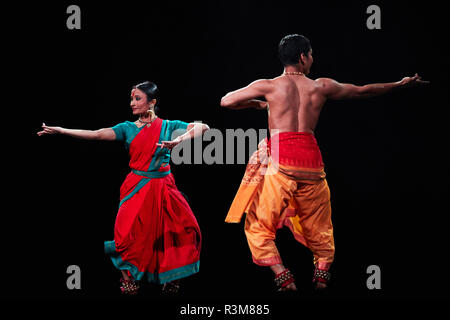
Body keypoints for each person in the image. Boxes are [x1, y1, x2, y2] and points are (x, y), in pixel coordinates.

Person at [221, 34, 429, 291]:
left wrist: (258, 104)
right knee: (320, 225)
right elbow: (363, 90)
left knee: (258, 223)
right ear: (302, 57)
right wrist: (400, 84)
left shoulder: (269, 85)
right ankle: (321, 278)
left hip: (280, 163)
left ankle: (282, 276)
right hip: (311, 165)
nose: (312, 59)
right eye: (311, 55)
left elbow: (227, 100)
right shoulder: (321, 86)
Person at [38, 81, 209, 295]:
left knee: (174, 232)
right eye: (131, 99)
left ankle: (170, 277)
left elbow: (204, 127)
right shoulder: (127, 129)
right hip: (137, 187)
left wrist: (180, 139)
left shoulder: (169, 126)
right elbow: (97, 134)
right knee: (126, 234)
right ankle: (129, 277)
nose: (132, 103)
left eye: (137, 99)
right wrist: (61, 130)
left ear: (152, 102)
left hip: (163, 188)